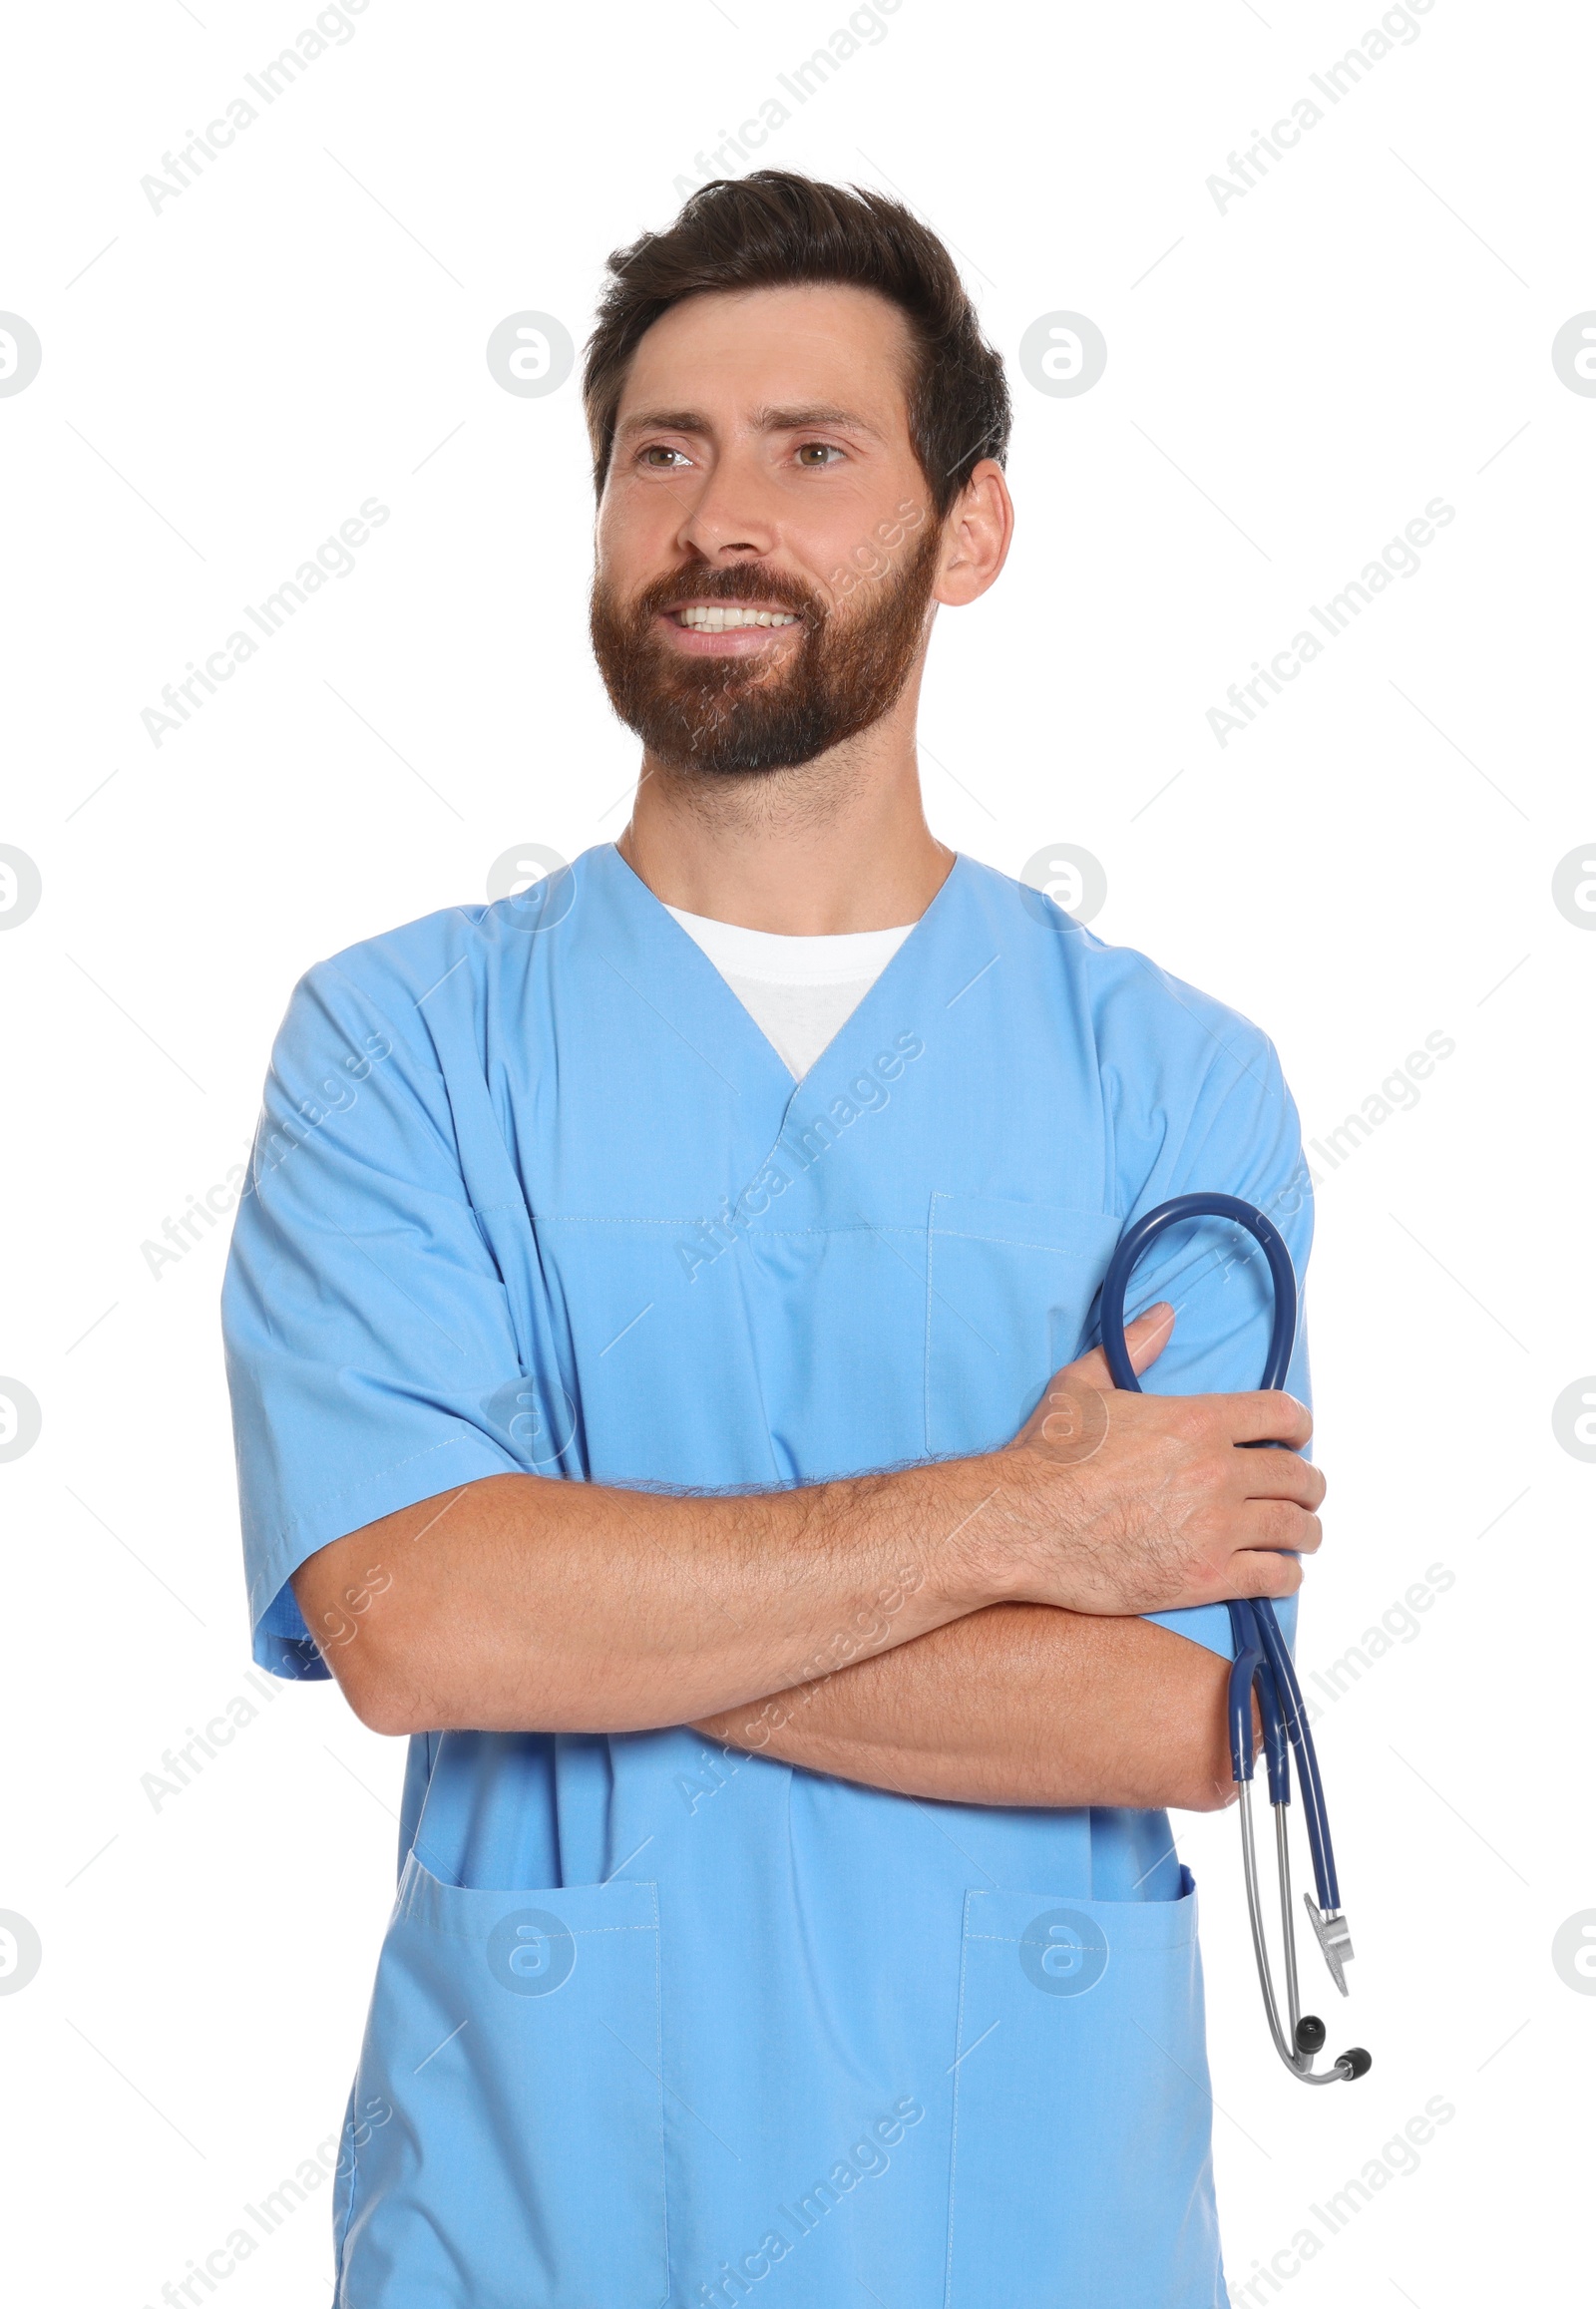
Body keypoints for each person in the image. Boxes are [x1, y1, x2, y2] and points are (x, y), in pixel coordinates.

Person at [222, 170, 1325, 2308]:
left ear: (967, 528)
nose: (717, 518)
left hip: (1027, 2221)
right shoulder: (400, 1043)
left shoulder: (1171, 1084)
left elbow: (1168, 1720)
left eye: (810, 452)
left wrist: (595, 1606)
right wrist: (1023, 1521)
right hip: (540, 2219)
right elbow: (410, 1626)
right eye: (663, 452)